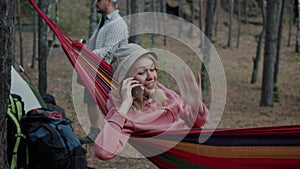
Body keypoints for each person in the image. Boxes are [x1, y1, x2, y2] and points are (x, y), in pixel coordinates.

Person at [94, 43, 209, 160]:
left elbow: (198, 124)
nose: (151, 76)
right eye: (141, 72)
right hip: (186, 155)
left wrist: (197, 107)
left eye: (152, 69)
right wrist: (124, 107)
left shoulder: (162, 92)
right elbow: (103, 152)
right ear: (126, 81)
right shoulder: (126, 113)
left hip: (200, 146)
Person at [79, 0, 129, 144]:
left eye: (99, 0)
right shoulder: (104, 22)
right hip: (96, 70)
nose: (96, 3)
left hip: (109, 73)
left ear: (109, 1)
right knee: (90, 101)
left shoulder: (117, 24)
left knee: (110, 105)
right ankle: (95, 132)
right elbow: (96, 44)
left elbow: (109, 50)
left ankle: (114, 135)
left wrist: (85, 54)